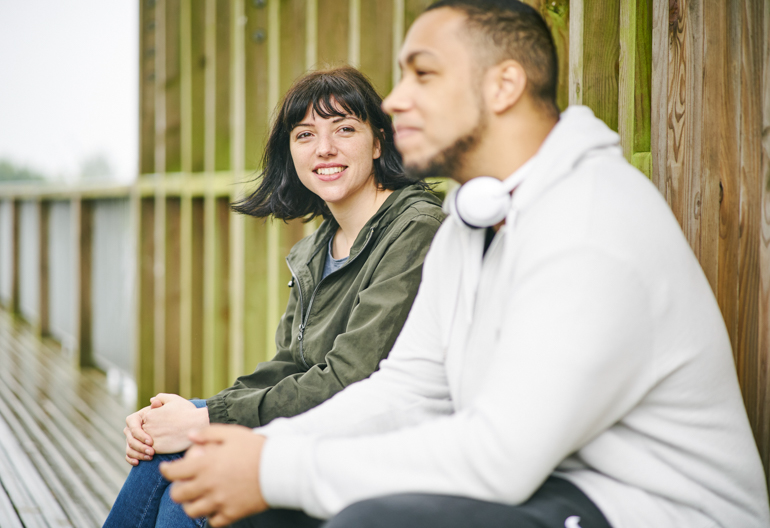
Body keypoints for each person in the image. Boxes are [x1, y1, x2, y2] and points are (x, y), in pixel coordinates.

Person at [160, 2, 770, 527]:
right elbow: (409, 389)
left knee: (369, 519)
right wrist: (251, 447)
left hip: (650, 510)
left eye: (423, 74)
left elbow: (498, 458)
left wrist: (275, 466)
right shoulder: (475, 217)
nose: (396, 101)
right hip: (556, 488)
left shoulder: (589, 223)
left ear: (502, 85)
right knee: (242, 494)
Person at [102, 66, 444, 528]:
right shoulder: (316, 248)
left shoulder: (415, 230)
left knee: (193, 488)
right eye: (305, 134)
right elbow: (290, 366)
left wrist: (206, 420)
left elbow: (352, 376)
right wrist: (186, 415)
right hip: (318, 431)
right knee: (164, 456)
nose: (324, 148)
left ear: (379, 141)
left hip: (380, 449)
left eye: (345, 128)